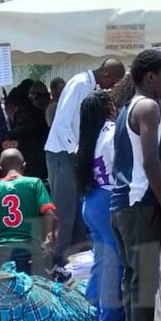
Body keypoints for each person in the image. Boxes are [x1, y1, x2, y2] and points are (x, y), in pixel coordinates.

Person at [110, 49, 161, 321]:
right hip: (140, 205)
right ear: (150, 76)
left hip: (121, 204)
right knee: (144, 280)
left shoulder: (126, 109)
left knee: (132, 278)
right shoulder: (148, 107)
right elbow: (151, 162)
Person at [44, 59, 126, 264]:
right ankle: (58, 261)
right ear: (106, 74)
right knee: (66, 210)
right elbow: (62, 124)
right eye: (114, 81)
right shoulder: (80, 84)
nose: (112, 88)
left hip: (72, 152)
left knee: (78, 210)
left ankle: (74, 260)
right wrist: (79, 153)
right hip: (63, 152)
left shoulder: (89, 85)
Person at [76, 78, 133, 321]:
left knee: (101, 258)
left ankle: (91, 310)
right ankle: (110, 319)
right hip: (108, 199)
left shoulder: (90, 136)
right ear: (109, 108)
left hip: (92, 199)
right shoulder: (111, 133)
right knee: (113, 262)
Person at [0, 149, 57, 274]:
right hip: (30, 252)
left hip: (2, 255)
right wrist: (49, 240)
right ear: (24, 165)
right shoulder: (34, 183)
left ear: (0, 168)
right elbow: (51, 216)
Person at [6, 80, 51, 180]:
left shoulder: (27, 113)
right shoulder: (36, 112)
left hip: (32, 156)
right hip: (37, 155)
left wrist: (8, 134)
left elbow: (27, 128)